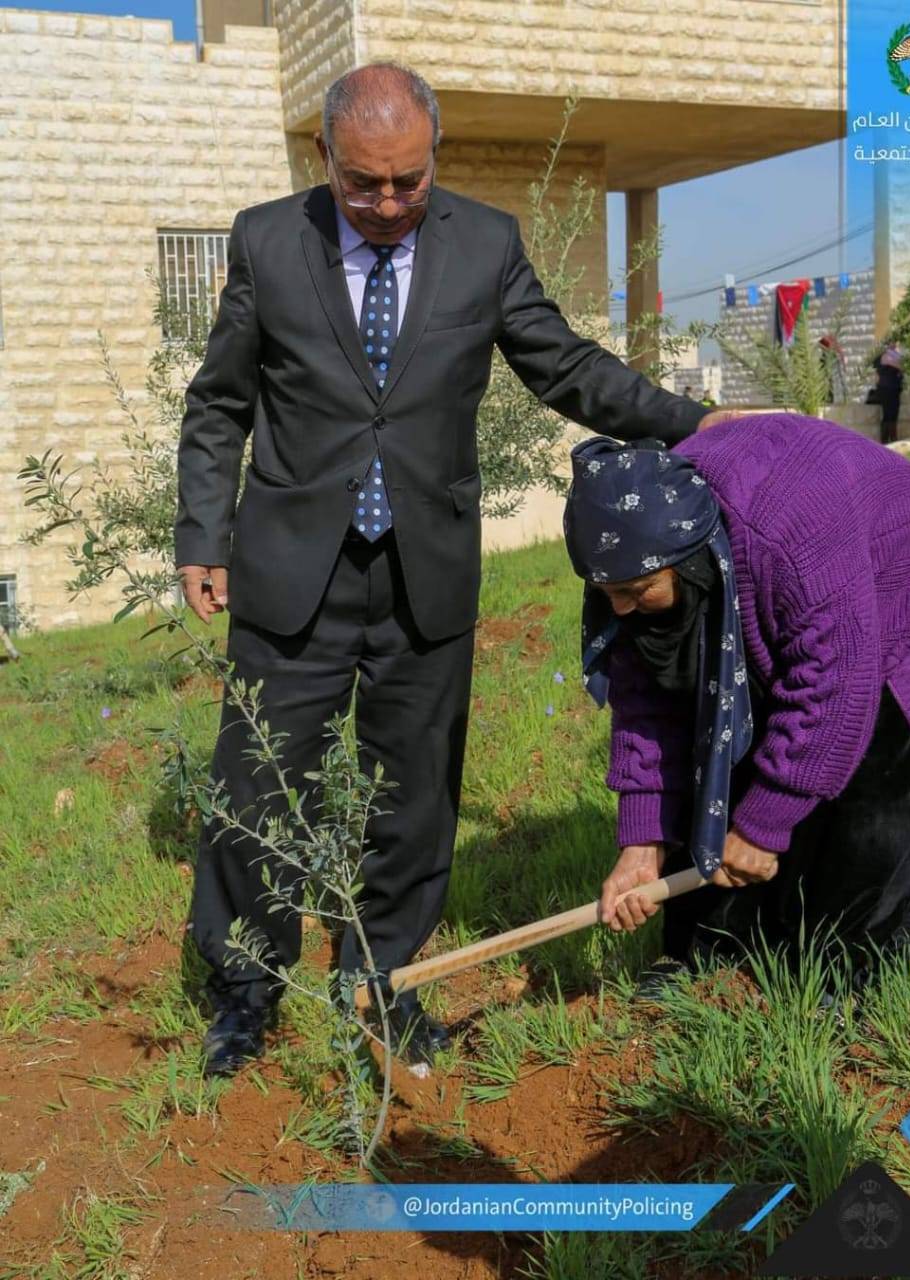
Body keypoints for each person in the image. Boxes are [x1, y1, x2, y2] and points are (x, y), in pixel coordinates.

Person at [175, 62, 738, 1076]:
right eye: (363, 184)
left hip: (423, 572)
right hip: (290, 568)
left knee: (416, 793)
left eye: (407, 181)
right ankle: (245, 992)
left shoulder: (483, 242)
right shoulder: (267, 239)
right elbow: (220, 402)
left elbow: (564, 364)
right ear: (324, 159)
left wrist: (697, 423)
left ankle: (381, 981)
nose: (387, 204)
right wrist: (200, 532)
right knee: (256, 783)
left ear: (432, 155)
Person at [562, 415, 910, 1007]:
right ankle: (710, 952)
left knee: (867, 788)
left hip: (903, 591)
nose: (621, 610)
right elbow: (649, 704)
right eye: (608, 597)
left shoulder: (792, 537)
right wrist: (643, 841)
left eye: (634, 593)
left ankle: (856, 972)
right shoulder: (627, 557)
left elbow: (834, 688)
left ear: (691, 559)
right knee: (719, 748)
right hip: (798, 582)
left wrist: (763, 824)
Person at [872, 343, 904, 445]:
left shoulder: (895, 355)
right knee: (888, 414)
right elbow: (900, 366)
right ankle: (888, 440)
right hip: (887, 388)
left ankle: (889, 439)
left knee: (893, 414)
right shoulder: (885, 356)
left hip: (894, 388)